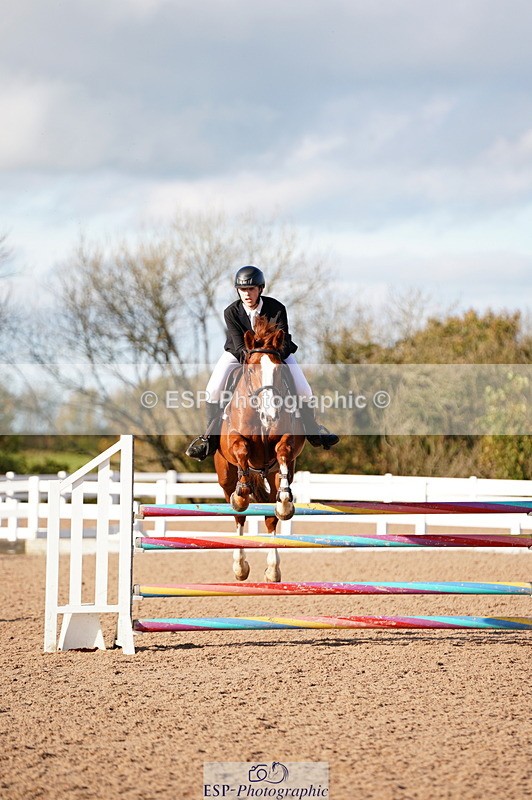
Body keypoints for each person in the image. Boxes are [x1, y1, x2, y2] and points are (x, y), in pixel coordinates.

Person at [186, 265, 339, 461]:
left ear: (260, 289)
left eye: (251, 289)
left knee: (304, 389)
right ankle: (209, 438)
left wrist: (271, 356)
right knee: (213, 388)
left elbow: (282, 339)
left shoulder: (276, 308)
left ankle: (313, 430)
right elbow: (239, 343)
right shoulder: (231, 312)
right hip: (238, 354)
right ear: (238, 291)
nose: (247, 294)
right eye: (243, 289)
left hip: (275, 354)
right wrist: (253, 360)